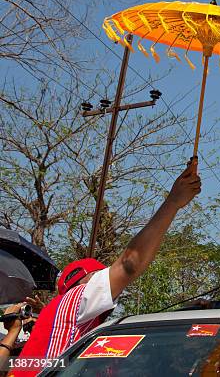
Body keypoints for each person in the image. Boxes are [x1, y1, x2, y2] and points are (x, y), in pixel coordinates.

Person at [9, 160, 201, 377]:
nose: (112, 284)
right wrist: (173, 202)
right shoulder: (78, 299)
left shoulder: (58, 319)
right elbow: (129, 264)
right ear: (82, 284)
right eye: (99, 276)